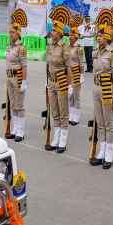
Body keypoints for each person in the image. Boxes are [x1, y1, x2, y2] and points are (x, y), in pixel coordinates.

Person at [90, 24, 113, 168]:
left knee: (108, 123)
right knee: (100, 122)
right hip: (96, 87)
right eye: (98, 36)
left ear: (107, 38)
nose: (98, 38)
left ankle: (109, 155)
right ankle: (101, 152)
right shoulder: (95, 51)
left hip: (107, 88)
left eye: (101, 36)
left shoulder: (112, 52)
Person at [45, 15, 75, 153]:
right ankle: (55, 138)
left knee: (63, 112)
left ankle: (63, 140)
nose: (52, 33)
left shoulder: (65, 47)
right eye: (52, 30)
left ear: (60, 33)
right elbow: (48, 64)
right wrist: (47, 82)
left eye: (55, 31)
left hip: (62, 81)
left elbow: (69, 67)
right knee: (54, 111)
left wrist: (70, 85)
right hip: (51, 82)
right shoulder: (50, 45)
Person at [5, 15, 28, 142]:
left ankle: (21, 131)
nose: (10, 34)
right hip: (9, 78)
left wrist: (24, 81)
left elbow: (24, 66)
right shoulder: (9, 47)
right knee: (13, 105)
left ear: (18, 34)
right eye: (9, 32)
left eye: (12, 32)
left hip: (18, 78)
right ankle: (15, 128)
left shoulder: (21, 49)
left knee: (19, 106)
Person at [67, 28, 84, 126]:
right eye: (69, 35)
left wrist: (81, 75)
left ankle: (76, 117)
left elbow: (81, 62)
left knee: (76, 96)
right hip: (69, 74)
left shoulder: (79, 48)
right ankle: (71, 115)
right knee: (70, 95)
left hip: (76, 73)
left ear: (76, 37)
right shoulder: (68, 47)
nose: (70, 37)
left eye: (72, 35)